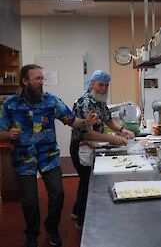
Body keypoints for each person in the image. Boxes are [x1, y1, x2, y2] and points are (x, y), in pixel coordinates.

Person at [0, 64, 98, 247]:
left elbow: (71, 120)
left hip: (49, 156)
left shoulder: (51, 101)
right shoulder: (11, 104)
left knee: (58, 195)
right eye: (37, 79)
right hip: (24, 158)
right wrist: (9, 134)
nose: (41, 82)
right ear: (25, 81)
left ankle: (52, 228)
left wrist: (86, 121)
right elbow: (1, 131)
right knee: (30, 201)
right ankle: (32, 234)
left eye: (42, 78)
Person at [70, 70, 135, 230]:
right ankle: (82, 222)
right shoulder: (84, 103)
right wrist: (112, 139)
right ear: (92, 84)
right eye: (101, 85)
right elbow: (87, 133)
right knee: (88, 183)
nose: (104, 88)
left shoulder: (99, 101)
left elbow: (108, 119)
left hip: (93, 146)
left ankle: (76, 211)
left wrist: (122, 130)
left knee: (85, 182)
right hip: (81, 147)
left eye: (106, 85)